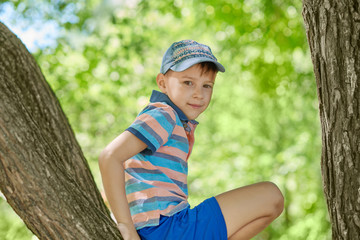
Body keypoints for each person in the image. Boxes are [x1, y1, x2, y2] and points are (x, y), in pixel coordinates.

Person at [99, 40, 284, 240]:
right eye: (188, 83)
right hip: (165, 227)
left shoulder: (178, 123)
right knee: (271, 195)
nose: (199, 94)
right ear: (162, 83)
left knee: (270, 205)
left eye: (207, 85)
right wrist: (126, 226)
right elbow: (109, 157)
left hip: (167, 228)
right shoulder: (164, 114)